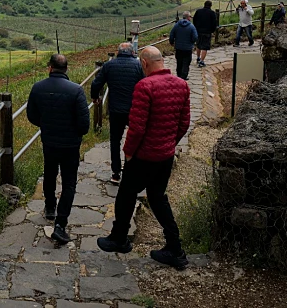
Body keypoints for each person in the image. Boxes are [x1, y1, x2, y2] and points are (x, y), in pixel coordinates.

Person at [97, 46, 191, 269]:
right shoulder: (182, 85)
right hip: (165, 155)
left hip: (144, 156)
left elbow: (137, 127)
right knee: (158, 198)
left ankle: (119, 238)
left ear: (145, 63)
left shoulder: (145, 86)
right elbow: (184, 123)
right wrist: (169, 143)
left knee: (126, 195)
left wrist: (128, 152)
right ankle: (175, 248)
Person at [26, 54, 91, 245]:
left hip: (49, 140)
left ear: (50, 67)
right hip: (71, 144)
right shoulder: (76, 90)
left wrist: (45, 125)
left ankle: (49, 207)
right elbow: (84, 123)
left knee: (49, 173)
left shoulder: (38, 88)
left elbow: (32, 115)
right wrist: (76, 133)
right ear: (66, 69)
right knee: (69, 182)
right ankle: (61, 223)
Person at [90, 42, 144, 185]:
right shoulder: (138, 66)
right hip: (135, 109)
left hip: (116, 110)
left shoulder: (109, 65)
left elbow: (96, 83)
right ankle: (130, 169)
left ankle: (115, 172)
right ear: (133, 52)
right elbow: (146, 84)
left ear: (118, 52)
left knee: (115, 140)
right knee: (135, 139)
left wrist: (95, 97)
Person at [168, 11, 197, 80]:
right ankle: (183, 77)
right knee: (186, 63)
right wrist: (192, 42)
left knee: (179, 62)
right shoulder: (191, 26)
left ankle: (179, 75)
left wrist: (172, 42)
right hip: (188, 48)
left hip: (178, 48)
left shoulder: (177, 25)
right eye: (190, 17)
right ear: (188, 17)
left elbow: (171, 35)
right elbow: (195, 37)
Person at [192, 1, 218, 68]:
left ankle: (198, 58)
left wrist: (196, 27)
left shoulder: (198, 11)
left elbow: (194, 20)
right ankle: (201, 61)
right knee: (205, 47)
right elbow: (214, 23)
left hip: (198, 31)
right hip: (207, 32)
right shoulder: (212, 13)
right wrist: (212, 30)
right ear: (210, 5)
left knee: (198, 44)